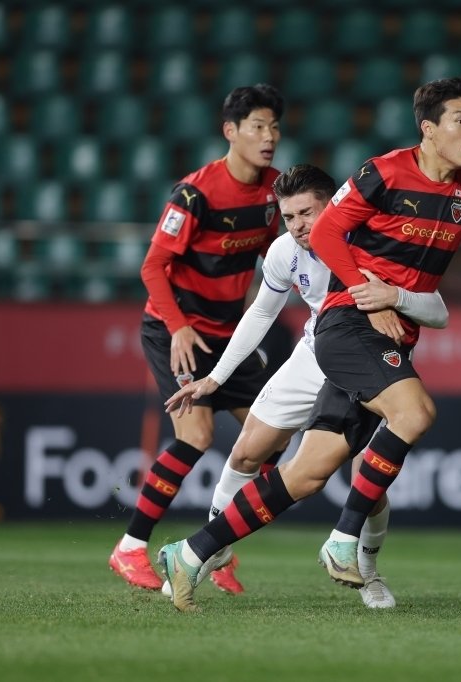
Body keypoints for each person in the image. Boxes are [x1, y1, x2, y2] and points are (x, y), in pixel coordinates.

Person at [157, 77, 461, 612]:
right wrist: (372, 298)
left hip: (389, 339)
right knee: (415, 412)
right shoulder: (383, 172)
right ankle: (343, 541)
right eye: (460, 120)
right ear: (428, 129)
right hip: (346, 326)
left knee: (306, 475)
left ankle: (192, 553)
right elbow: (330, 232)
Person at [165, 163, 450, 607]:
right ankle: (207, 552)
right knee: (246, 450)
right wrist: (215, 378)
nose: (298, 226)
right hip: (316, 349)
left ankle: (368, 570)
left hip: (363, 355)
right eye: (290, 216)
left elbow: (438, 309)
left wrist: (394, 298)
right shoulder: (284, 252)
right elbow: (261, 312)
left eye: (307, 213)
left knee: (364, 482)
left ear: (334, 205)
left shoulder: (371, 240)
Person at [108, 83, 285, 593]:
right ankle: (130, 548)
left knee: (269, 439)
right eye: (257, 126)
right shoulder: (196, 193)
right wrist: (178, 325)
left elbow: (278, 258)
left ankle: (217, 547)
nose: (268, 136)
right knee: (197, 437)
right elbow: (152, 266)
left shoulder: (275, 192)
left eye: (274, 127)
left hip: (229, 337)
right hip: (176, 331)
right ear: (230, 132)